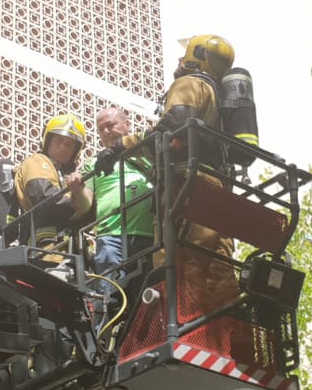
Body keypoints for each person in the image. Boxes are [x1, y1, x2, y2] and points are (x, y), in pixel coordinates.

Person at [101, 35, 240, 307]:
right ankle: (226, 332)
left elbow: (173, 126)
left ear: (195, 56)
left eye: (183, 54)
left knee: (180, 261)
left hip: (189, 186)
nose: (178, 60)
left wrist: (121, 146)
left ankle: (182, 321)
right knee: (219, 267)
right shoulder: (219, 99)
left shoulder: (189, 83)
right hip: (219, 190)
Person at [84, 107, 155, 299]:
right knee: (111, 298)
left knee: (149, 297)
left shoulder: (147, 152)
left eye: (111, 125)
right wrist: (75, 190)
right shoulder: (93, 163)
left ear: (127, 125)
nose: (106, 131)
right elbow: (84, 203)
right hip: (111, 237)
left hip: (150, 235)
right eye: (101, 129)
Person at [12, 114, 93, 254]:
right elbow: (44, 198)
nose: (62, 147)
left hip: (69, 251)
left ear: (76, 151)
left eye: (69, 144)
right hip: (45, 250)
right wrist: (78, 206)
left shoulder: (71, 175)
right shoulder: (37, 161)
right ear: (47, 141)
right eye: (58, 141)